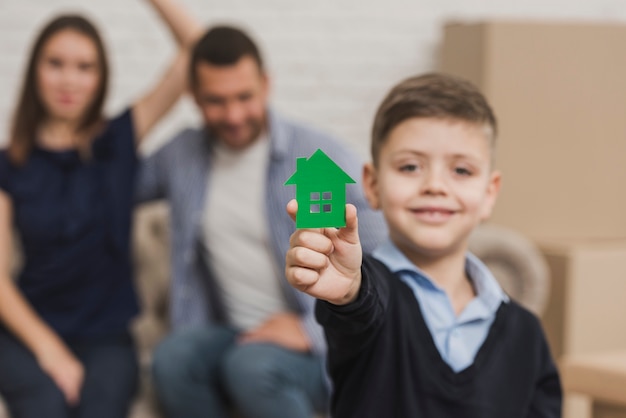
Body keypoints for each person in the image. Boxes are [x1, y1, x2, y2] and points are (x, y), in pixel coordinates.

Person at [135, 25, 386, 418]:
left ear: (266, 85)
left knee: (251, 367)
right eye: (216, 101)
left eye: (244, 97)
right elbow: (112, 177)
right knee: (172, 359)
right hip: (232, 334)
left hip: (318, 345)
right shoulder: (181, 156)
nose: (233, 115)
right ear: (194, 97)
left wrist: (309, 329)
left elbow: (380, 262)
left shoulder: (314, 162)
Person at [285, 73, 562, 418]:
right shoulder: (369, 295)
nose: (434, 185)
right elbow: (360, 304)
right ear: (372, 184)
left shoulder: (526, 335)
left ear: (489, 193)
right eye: (410, 166)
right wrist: (349, 291)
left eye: (461, 170)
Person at [0, 2, 201, 417]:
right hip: (28, 333)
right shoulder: (9, 163)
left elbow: (198, 48)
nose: (69, 79)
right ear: (35, 71)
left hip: (107, 337)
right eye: (56, 63)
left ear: (101, 77)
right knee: (44, 405)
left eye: (84, 66)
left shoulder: (117, 141)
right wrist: (49, 350)